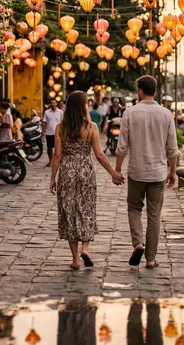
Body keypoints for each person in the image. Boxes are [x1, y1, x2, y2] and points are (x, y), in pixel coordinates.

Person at [49, 91, 122, 270]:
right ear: (84, 106)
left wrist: (53, 177)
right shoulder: (91, 127)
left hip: (67, 171)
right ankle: (86, 249)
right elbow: (99, 154)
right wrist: (113, 173)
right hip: (86, 171)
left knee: (69, 211)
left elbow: (57, 154)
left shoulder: (60, 127)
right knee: (86, 208)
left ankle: (75, 260)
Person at [115, 76, 178, 269]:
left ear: (140, 91)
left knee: (134, 208)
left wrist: (117, 169)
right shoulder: (166, 114)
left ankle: (138, 243)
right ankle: (150, 259)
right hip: (158, 173)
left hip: (136, 171)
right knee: (154, 215)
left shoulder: (130, 113)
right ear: (155, 91)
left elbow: (122, 147)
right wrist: (172, 172)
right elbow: (172, 148)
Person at [43, 100, 64, 167]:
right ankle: (51, 161)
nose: (53, 104)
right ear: (50, 104)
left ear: (56, 104)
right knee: (49, 147)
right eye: (51, 103)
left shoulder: (60, 112)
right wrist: (43, 132)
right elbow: (44, 122)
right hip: (49, 132)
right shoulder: (46, 112)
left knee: (58, 147)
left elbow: (63, 122)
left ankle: (59, 160)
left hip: (58, 132)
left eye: (54, 103)